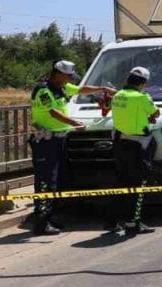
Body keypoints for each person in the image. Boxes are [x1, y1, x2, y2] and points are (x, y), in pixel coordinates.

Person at [29, 60, 114, 236]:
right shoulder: (44, 91)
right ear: (58, 73)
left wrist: (103, 89)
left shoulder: (62, 88)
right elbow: (52, 111)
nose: (70, 80)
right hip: (46, 141)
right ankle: (41, 223)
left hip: (58, 139)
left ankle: (49, 218)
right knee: (45, 181)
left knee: (57, 180)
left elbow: (82, 90)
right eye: (68, 76)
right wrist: (74, 122)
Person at [108, 66, 160, 236]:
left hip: (120, 143)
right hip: (137, 145)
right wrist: (149, 115)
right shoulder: (142, 97)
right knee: (138, 185)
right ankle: (134, 223)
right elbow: (155, 113)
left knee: (121, 183)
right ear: (143, 83)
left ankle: (114, 221)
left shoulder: (118, 95)